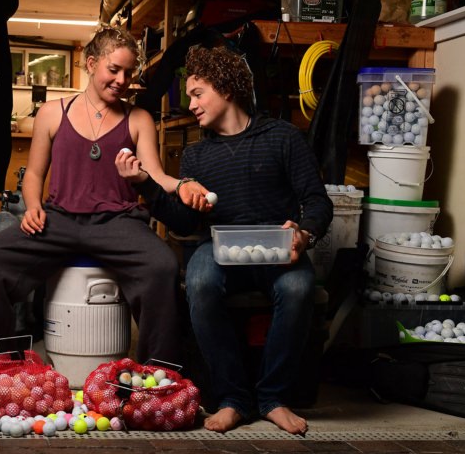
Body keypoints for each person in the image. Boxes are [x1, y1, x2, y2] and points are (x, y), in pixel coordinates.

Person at [117, 44, 333, 436]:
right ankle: (233, 397)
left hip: (277, 251)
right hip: (217, 249)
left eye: (198, 94)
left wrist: (303, 232)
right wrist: (146, 186)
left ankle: (272, 398)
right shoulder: (197, 157)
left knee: (300, 286)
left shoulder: (283, 137)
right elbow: (184, 222)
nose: (192, 105)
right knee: (199, 281)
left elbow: (317, 201)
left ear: (227, 88)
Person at [0, 26, 187, 369]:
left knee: (163, 267)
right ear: (91, 63)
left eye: (128, 73)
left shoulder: (139, 118)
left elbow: (156, 176)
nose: (121, 80)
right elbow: (35, 174)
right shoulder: (53, 113)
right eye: (113, 70)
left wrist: (185, 185)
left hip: (119, 222)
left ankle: (159, 377)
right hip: (60, 220)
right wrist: (33, 207)